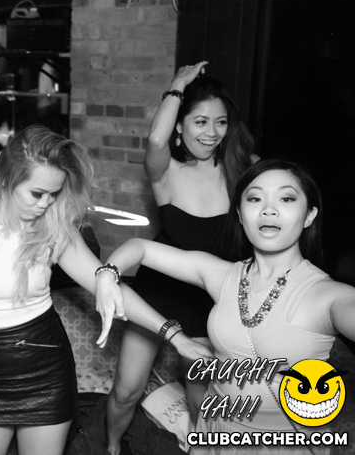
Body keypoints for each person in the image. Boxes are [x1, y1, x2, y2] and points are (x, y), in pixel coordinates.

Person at [0, 125, 212, 455]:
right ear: (8, 178)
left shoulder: (54, 225)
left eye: (54, 194)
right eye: (37, 193)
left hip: (43, 369)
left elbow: (107, 286)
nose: (46, 203)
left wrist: (174, 336)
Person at [101, 159, 355, 454]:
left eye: (286, 199)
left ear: (309, 215)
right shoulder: (221, 275)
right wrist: (107, 273)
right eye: (255, 198)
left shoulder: (329, 296)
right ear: (240, 214)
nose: (268, 209)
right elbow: (141, 248)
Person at [106, 62, 255, 454]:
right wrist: (177, 85)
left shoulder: (244, 171)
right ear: (179, 127)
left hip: (210, 298)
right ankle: (110, 447)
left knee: (200, 397)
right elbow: (155, 140)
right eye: (200, 122)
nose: (211, 133)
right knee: (126, 390)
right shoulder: (166, 172)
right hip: (159, 291)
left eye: (220, 123)